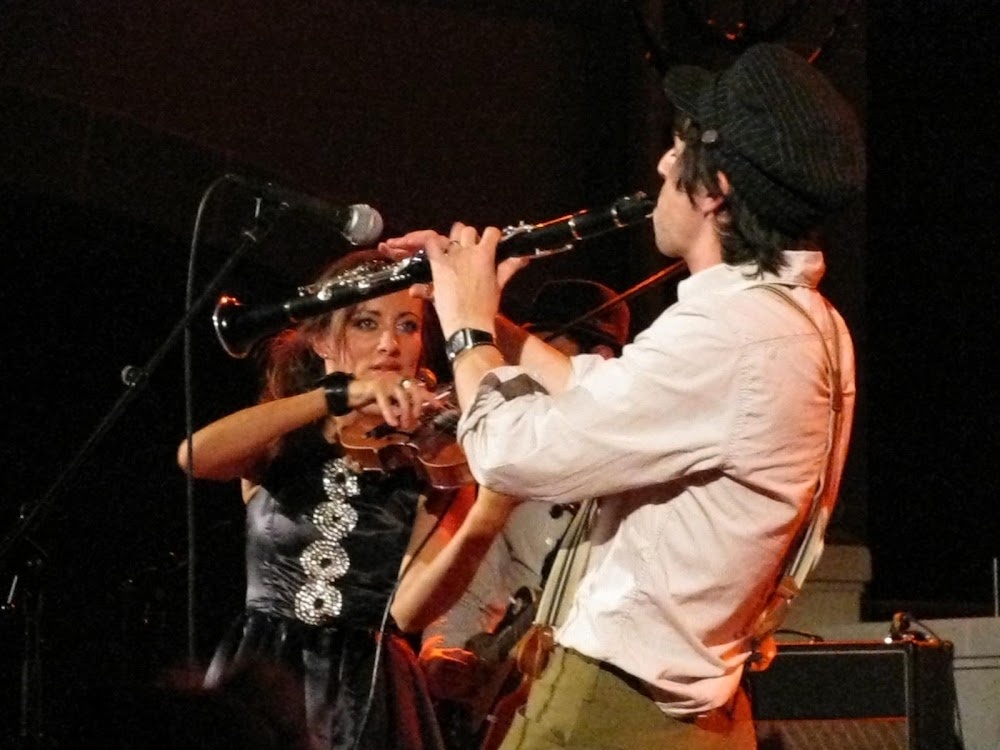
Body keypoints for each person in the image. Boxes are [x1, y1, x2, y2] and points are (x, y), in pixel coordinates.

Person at [382, 42, 865, 749]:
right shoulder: (802, 321)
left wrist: (466, 330)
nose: (663, 166)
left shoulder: (731, 335)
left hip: (613, 711)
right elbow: (608, 397)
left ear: (714, 191)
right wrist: (495, 321)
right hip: (686, 713)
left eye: (678, 151)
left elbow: (510, 455)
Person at [177, 249, 518, 750]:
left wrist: (488, 513)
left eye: (407, 326)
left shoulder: (436, 456)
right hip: (258, 671)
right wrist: (335, 396)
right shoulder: (282, 437)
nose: (389, 344)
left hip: (365, 688)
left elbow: (410, 612)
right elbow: (195, 456)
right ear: (319, 340)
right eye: (365, 323)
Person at [417, 279, 631, 749]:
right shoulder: (515, 460)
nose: (518, 372)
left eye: (544, 352)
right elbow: (475, 583)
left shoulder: (632, 469)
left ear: (599, 358)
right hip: (510, 707)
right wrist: (443, 648)